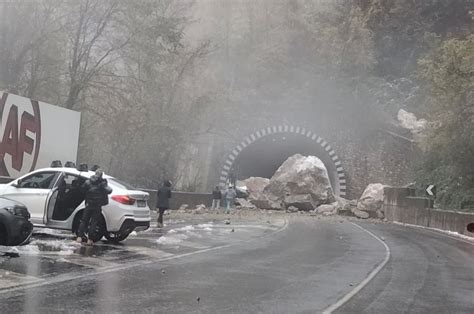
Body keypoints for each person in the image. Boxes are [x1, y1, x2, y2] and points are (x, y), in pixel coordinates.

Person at [76, 169, 112, 246]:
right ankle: (90, 239)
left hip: (88, 204)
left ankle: (79, 237)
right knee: (94, 222)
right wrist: (104, 184)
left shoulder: (88, 182)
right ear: (101, 175)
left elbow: (82, 190)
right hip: (97, 206)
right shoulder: (102, 183)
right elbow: (109, 191)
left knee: (84, 221)